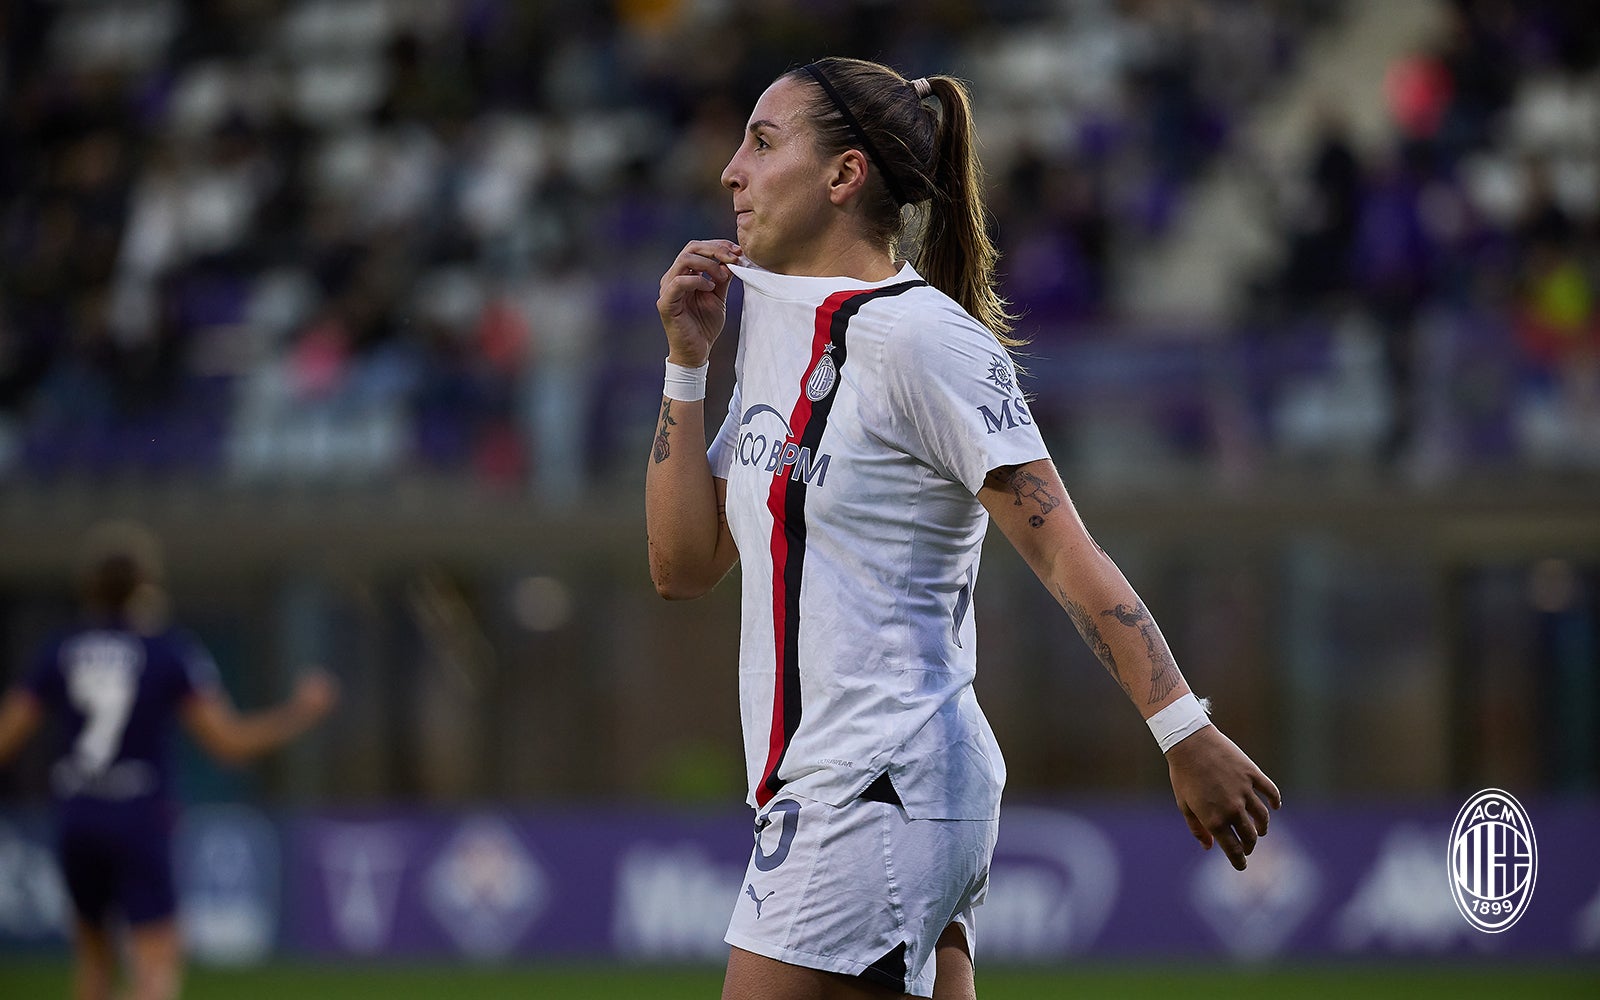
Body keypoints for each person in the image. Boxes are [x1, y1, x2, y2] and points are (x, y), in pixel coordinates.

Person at [645, 57, 1282, 1000]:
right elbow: (683, 565)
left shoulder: (921, 339)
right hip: (856, 792)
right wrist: (686, 367)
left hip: (873, 786)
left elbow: (1064, 548)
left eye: (762, 141)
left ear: (844, 175)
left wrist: (1184, 729)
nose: (732, 169)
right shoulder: (776, 329)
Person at [0, 521, 338, 1000]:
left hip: (77, 816)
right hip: (140, 818)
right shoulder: (167, 650)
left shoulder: (60, 649)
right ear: (147, 589)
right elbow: (228, 743)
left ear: (88, 589)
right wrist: (300, 712)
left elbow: (6, 739)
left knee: (94, 965)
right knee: (156, 967)